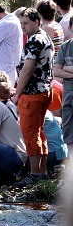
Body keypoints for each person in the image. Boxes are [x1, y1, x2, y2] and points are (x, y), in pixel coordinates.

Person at [11, 7, 54, 187]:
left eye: (26, 23)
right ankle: (41, 173)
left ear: (37, 22)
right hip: (44, 90)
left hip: (32, 93)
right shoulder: (45, 37)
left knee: (30, 133)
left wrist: (17, 93)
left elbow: (27, 70)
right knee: (38, 132)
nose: (23, 27)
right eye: (21, 24)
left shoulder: (35, 40)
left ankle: (35, 174)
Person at [53, 17, 73, 155]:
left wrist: (67, 69)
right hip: (67, 95)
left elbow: (62, 70)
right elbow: (56, 71)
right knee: (68, 132)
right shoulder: (66, 46)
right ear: (70, 28)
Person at [43, 110, 68, 175]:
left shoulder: (36, 111)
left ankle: (37, 175)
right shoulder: (44, 110)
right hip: (60, 153)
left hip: (55, 154)